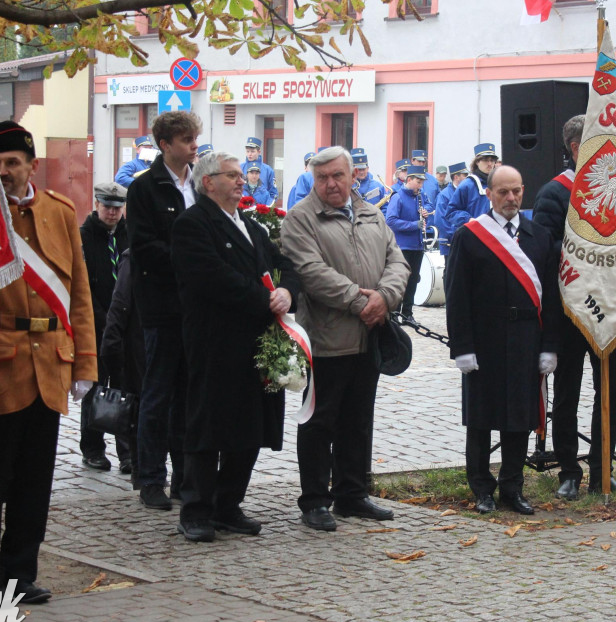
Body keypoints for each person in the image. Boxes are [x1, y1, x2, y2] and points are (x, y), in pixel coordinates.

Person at [0, 120, 97, 604]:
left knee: (34, 481)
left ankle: (22, 573)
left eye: (13, 163)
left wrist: (84, 364)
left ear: (31, 166)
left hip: (50, 366)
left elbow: (79, 292)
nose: (4, 172)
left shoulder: (60, 212)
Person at [170, 151, 301, 542]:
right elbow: (212, 277)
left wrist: (286, 292)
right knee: (208, 426)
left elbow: (285, 264)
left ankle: (228, 505)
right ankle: (196, 510)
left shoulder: (251, 225)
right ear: (208, 182)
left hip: (256, 342)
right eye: (232, 175)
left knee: (250, 426)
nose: (241, 181)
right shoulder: (192, 225)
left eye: (241, 175)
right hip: (215, 341)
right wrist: (264, 299)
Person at [282, 147, 409, 532]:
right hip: (325, 338)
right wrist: (360, 302)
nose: (331, 184)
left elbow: (398, 261)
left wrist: (385, 297)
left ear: (354, 175)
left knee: (358, 419)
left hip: (368, 336)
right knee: (320, 421)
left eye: (337, 176)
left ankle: (352, 494)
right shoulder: (301, 218)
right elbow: (311, 272)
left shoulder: (371, 212)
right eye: (322, 178)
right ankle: (315, 500)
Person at [445, 165, 560, 514]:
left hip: (527, 337)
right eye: (503, 192)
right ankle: (482, 489)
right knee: (481, 419)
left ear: (523, 190)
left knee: (519, 418)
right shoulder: (470, 236)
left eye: (516, 191)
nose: (511, 198)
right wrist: (462, 347)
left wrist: (549, 345)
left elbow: (552, 297)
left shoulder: (538, 235)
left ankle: (513, 487)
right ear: (490, 195)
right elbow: (457, 295)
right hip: (485, 339)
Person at [532, 115, 616, 498]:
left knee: (610, 392)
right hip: (570, 308)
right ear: (576, 148)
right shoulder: (553, 193)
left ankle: (603, 469)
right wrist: (585, 245)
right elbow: (542, 251)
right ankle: (569, 472)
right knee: (568, 392)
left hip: (611, 306)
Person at [126, 111, 200, 510]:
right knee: (157, 393)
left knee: (188, 395)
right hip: (160, 306)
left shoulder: (198, 185)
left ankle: (185, 476)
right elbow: (143, 247)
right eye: (185, 139)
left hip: (194, 306)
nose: (192, 145)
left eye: (194, 138)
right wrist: (187, 258)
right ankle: (151, 477)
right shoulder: (145, 189)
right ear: (165, 145)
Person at [78, 182, 132, 473]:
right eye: (107, 207)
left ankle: (128, 451)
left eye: (117, 208)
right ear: (97, 205)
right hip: (96, 324)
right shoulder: (83, 237)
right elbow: (81, 286)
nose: (112, 213)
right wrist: (103, 318)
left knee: (127, 388)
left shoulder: (129, 234)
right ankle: (93, 447)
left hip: (125, 326)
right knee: (94, 388)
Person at [100, 248, 144, 485]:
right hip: (135, 346)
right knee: (137, 409)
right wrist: (111, 346)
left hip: (149, 344)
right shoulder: (131, 258)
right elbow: (120, 306)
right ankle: (140, 469)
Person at [386, 165, 431, 324]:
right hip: (402, 246)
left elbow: (429, 208)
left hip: (417, 245)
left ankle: (408, 313)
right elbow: (390, 221)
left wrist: (425, 213)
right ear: (409, 180)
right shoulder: (397, 197)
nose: (421, 185)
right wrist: (414, 225)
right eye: (418, 182)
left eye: (422, 182)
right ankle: (395, 313)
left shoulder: (420, 196)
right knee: (400, 280)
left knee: (413, 280)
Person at [444, 143, 499, 233]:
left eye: (492, 160)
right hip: (474, 237)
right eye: (485, 160)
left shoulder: (498, 184)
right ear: (477, 162)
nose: (489, 164)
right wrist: (469, 219)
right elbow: (451, 212)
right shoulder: (467, 185)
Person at [433, 161, 468, 258]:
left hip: (465, 240)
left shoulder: (467, 192)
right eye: (464, 175)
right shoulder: (444, 195)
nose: (467, 178)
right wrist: (455, 235)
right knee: (450, 271)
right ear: (456, 177)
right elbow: (439, 220)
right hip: (450, 242)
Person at [241, 137, 278, 206]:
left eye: (252, 151)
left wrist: (267, 208)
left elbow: (273, 194)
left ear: (259, 152)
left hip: (262, 210)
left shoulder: (268, 170)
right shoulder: (240, 168)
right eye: (248, 151)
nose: (249, 154)